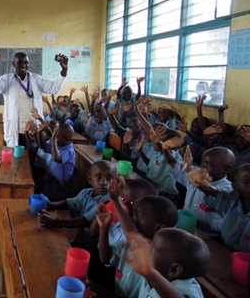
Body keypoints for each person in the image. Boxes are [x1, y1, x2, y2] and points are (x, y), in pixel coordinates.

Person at [38, 160, 118, 291]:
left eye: (109, 178)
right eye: (99, 177)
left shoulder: (108, 202)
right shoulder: (87, 193)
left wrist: (55, 223)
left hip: (97, 252)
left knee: (87, 281)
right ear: (89, 178)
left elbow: (84, 221)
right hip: (82, 242)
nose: (104, 182)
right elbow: (70, 203)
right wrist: (51, 204)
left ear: (116, 181)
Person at [97, 178, 178, 298]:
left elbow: (131, 231)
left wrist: (115, 200)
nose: (133, 219)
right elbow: (106, 259)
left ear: (159, 227)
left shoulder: (158, 260)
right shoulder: (131, 244)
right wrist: (103, 228)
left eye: (138, 217)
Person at [0, 52, 68, 147]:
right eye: (19, 63)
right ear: (13, 64)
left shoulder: (36, 79)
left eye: (25, 62)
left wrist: (64, 70)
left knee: (34, 157)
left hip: (33, 129)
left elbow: (54, 88)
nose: (23, 65)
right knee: (16, 158)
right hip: (16, 129)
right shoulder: (7, 80)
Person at [125, 228, 210, 298]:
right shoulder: (160, 273)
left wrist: (150, 273)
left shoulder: (185, 288)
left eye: (153, 248)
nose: (148, 249)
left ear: (173, 270)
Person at [172, 147, 234, 237]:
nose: (203, 168)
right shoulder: (197, 174)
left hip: (209, 236)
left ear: (226, 169)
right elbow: (172, 162)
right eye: (202, 163)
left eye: (209, 164)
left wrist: (190, 171)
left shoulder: (228, 189)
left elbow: (212, 191)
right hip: (185, 227)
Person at [188, 164, 250, 252]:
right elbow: (213, 192)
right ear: (235, 186)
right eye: (246, 181)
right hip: (225, 251)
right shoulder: (232, 200)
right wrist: (199, 181)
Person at [33, 122, 75, 200]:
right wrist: (41, 132)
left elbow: (57, 159)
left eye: (56, 137)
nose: (54, 138)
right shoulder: (59, 146)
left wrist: (53, 140)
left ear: (67, 139)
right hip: (52, 183)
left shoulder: (69, 151)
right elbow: (43, 146)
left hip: (61, 189)